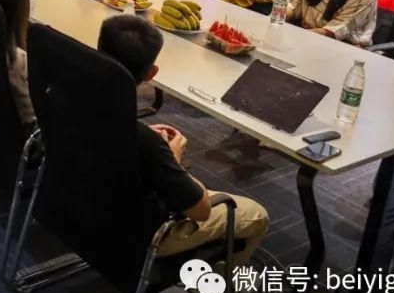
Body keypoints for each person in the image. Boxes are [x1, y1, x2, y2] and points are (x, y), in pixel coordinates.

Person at [97, 14, 269, 269]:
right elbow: (200, 211)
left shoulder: (72, 98)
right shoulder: (147, 143)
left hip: (78, 207)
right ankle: (221, 282)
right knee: (256, 214)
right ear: (152, 73)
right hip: (138, 231)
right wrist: (172, 158)